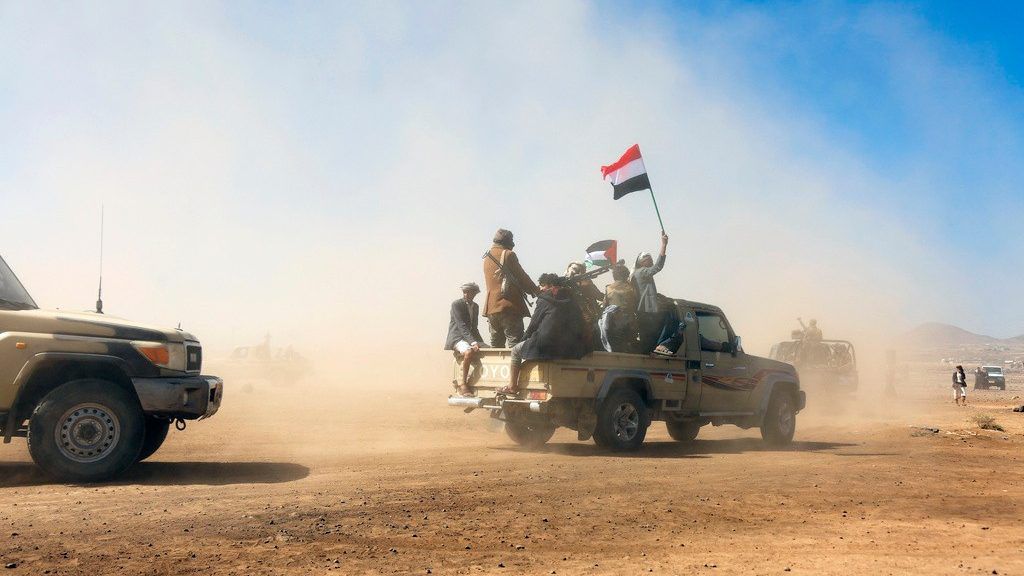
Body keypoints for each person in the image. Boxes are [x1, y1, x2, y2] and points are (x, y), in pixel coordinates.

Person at [500, 273, 586, 397]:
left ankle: (512, 387)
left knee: (515, 350)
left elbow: (533, 325)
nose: (540, 288)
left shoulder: (544, 299)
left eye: (542, 285)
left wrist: (523, 341)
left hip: (545, 344)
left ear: (550, 285)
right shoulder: (572, 300)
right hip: (568, 346)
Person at [483, 229, 539, 348]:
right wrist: (536, 291)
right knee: (516, 345)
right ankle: (515, 367)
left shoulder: (487, 257)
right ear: (508, 242)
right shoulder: (508, 255)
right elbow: (522, 276)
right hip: (508, 306)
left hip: (491, 308)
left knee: (496, 346)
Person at [445, 282, 486, 396]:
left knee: (489, 350)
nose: (466, 294)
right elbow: (461, 325)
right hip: (457, 337)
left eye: (469, 292)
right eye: (464, 292)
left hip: (469, 338)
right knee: (468, 352)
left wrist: (479, 342)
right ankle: (463, 384)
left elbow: (474, 327)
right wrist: (473, 342)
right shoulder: (456, 304)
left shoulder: (476, 306)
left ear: (475, 293)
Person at [631, 231, 669, 353]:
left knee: (646, 339)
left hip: (643, 311)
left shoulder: (637, 273)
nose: (651, 260)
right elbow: (658, 266)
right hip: (647, 311)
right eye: (648, 259)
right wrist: (664, 245)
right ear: (642, 262)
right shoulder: (643, 272)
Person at [566, 261, 604, 351]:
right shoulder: (561, 283)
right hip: (572, 318)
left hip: (589, 316)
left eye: (581, 271)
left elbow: (598, 295)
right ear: (568, 268)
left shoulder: (586, 282)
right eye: (575, 269)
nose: (577, 272)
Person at [601, 264, 639, 352]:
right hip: (629, 324)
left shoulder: (608, 288)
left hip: (612, 324)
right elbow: (636, 304)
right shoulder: (632, 288)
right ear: (626, 275)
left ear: (614, 276)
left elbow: (604, 305)